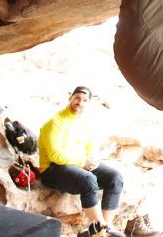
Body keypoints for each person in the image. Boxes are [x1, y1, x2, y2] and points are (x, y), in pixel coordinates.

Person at [38, 86, 125, 237]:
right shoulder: (55, 122)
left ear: (89, 103)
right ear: (70, 98)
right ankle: (100, 229)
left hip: (76, 165)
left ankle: (104, 227)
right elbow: (55, 155)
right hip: (52, 170)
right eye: (77, 98)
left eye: (85, 100)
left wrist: (92, 159)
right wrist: (82, 162)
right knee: (88, 179)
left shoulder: (83, 123)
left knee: (114, 177)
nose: (80, 102)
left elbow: (90, 147)